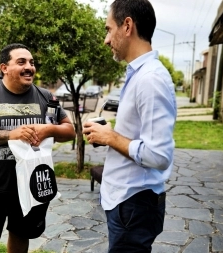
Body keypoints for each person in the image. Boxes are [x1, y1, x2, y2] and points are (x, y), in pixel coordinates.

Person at [0, 43, 76, 253]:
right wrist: (10, 135)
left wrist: (48, 129)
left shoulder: (46, 97)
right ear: (4, 67)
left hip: (31, 185)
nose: (29, 67)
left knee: (21, 236)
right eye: (21, 62)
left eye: (31, 62)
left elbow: (69, 131)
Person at [83, 0, 177, 252]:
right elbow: (142, 132)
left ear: (127, 26)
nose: (106, 39)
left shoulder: (150, 80)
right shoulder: (139, 74)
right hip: (128, 204)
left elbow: (159, 155)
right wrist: (110, 131)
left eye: (108, 28)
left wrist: (111, 136)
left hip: (134, 204)